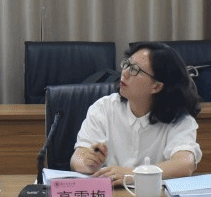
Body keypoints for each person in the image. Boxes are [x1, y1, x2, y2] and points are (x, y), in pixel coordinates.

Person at [70, 42, 203, 184]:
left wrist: (132, 174)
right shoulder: (104, 108)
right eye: (127, 64)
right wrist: (88, 163)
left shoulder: (179, 119)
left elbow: (185, 164)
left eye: (135, 70)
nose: (125, 73)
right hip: (111, 194)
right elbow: (76, 159)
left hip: (154, 196)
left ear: (156, 86)